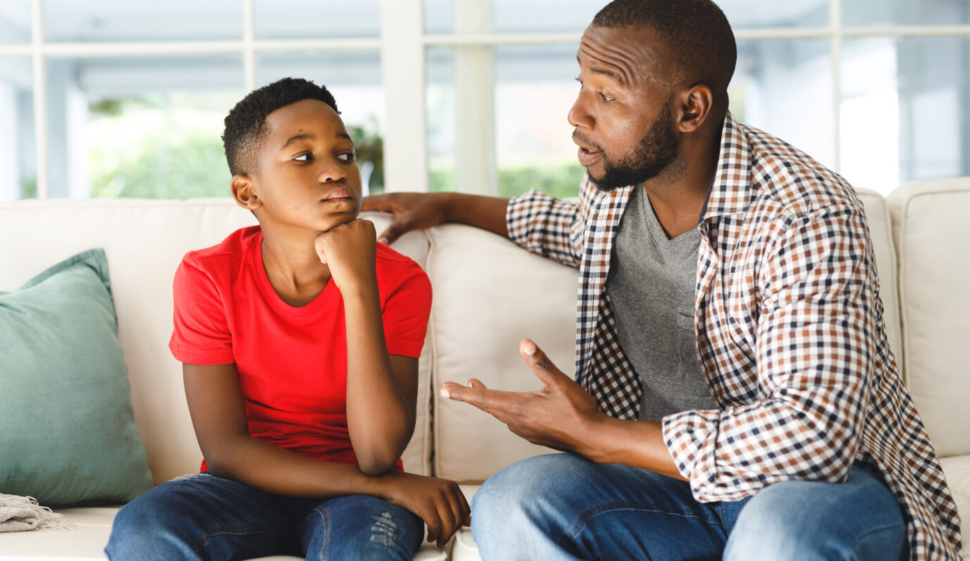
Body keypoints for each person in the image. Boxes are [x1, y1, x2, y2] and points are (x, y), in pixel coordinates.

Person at [363, 0, 963, 559]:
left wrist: (598, 436)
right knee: (513, 500)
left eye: (608, 95)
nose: (576, 115)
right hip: (676, 490)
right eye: (581, 85)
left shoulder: (804, 213)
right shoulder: (615, 192)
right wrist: (447, 203)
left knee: (778, 532)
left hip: (821, 489)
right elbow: (558, 226)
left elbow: (814, 434)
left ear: (689, 110)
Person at [105, 78, 469, 561]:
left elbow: (378, 452)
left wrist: (357, 285)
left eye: (344, 155)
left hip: (355, 501)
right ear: (247, 192)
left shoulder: (400, 281)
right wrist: (389, 487)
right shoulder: (209, 276)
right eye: (303, 158)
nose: (334, 172)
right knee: (142, 528)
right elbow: (226, 451)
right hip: (243, 488)